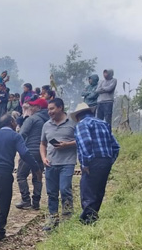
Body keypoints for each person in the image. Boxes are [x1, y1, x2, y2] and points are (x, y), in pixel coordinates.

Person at [0, 114, 40, 241]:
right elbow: (25, 153)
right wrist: (36, 168)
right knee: (3, 201)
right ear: (11, 122)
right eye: (15, 121)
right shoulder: (15, 136)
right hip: (4, 172)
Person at [72, 102, 120, 224]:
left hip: (92, 161)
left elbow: (85, 142)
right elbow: (115, 146)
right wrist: (110, 160)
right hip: (106, 160)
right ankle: (93, 217)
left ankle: (88, 219)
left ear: (77, 116)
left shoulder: (82, 124)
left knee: (87, 190)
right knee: (99, 190)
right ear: (91, 112)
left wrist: (85, 163)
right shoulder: (104, 124)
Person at [40, 98, 78, 231]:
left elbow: (80, 140)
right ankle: (53, 218)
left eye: (52, 109)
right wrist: (43, 158)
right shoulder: (46, 125)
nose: (49, 112)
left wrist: (67, 144)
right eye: (48, 109)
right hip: (51, 163)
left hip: (67, 162)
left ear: (60, 107)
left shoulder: (72, 123)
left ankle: (67, 217)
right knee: (51, 192)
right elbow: (43, 144)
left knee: (65, 189)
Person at [15, 96, 48, 210]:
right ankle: (36, 201)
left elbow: (22, 134)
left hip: (29, 151)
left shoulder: (32, 119)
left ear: (38, 107)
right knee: (37, 175)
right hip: (42, 152)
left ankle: (26, 200)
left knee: (21, 175)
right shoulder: (48, 119)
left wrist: (19, 148)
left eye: (33, 106)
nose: (31, 108)